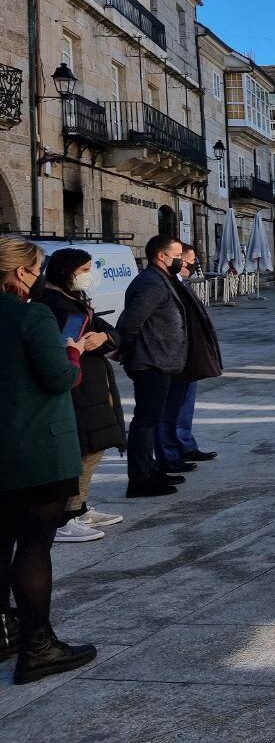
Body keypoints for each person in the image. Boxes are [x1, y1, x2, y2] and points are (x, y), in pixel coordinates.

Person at [0, 236, 97, 683]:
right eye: (35, 269)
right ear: (20, 273)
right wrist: (74, 350)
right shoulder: (32, 315)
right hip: (36, 449)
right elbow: (60, 378)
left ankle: (4, 630)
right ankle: (38, 645)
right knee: (34, 546)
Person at [35, 249, 127, 543]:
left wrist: (103, 338)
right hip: (78, 388)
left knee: (93, 446)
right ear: (66, 272)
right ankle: (65, 516)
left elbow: (109, 331)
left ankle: (79, 507)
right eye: (85, 269)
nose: (90, 275)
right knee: (84, 449)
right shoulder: (53, 305)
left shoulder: (74, 301)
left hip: (92, 385)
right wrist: (87, 344)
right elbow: (63, 347)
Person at [115, 235, 188, 497]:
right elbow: (130, 323)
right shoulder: (151, 283)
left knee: (151, 418)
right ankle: (140, 479)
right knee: (145, 421)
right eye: (177, 255)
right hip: (151, 362)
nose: (180, 260)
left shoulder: (158, 280)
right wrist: (126, 351)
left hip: (159, 360)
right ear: (161, 256)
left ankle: (151, 469)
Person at [155, 243, 221, 468]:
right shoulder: (164, 284)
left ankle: (185, 446)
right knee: (169, 409)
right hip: (173, 357)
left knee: (184, 406)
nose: (193, 265)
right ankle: (170, 454)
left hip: (187, 356)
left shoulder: (180, 283)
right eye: (190, 260)